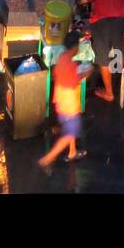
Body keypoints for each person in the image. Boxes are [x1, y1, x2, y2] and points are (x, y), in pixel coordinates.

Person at [38, 30, 89, 171]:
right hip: (69, 106)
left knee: (69, 129)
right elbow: (74, 81)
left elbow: (55, 73)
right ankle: (49, 157)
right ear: (74, 47)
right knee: (70, 134)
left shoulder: (61, 58)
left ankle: (72, 152)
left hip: (60, 103)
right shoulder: (72, 65)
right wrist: (86, 72)